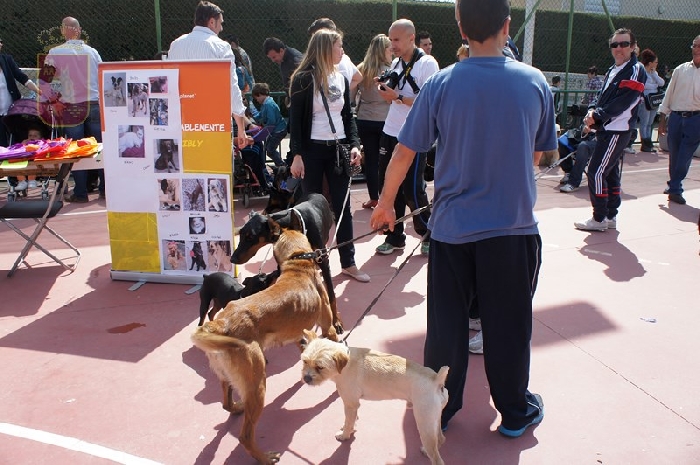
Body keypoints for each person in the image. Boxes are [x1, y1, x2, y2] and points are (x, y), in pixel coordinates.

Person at [370, 0, 556, 436]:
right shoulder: (534, 82)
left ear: (460, 28)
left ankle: (441, 409)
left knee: (446, 329)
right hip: (512, 228)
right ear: (507, 26)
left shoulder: (441, 83)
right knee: (509, 326)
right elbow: (540, 153)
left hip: (452, 231)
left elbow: (404, 151)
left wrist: (385, 203)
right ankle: (515, 412)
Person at [288, 29, 369, 283]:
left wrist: (354, 144)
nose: (342, 50)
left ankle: (348, 262)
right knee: (312, 209)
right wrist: (297, 155)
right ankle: (314, 266)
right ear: (325, 48)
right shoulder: (303, 79)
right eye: (339, 46)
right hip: (311, 151)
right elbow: (295, 122)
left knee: (343, 207)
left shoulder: (341, 78)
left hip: (337, 150)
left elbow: (347, 117)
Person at [375, 19, 439, 257]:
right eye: (390, 40)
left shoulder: (427, 64)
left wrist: (398, 97)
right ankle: (394, 236)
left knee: (412, 189)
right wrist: (386, 91)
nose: (392, 45)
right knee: (388, 186)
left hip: (415, 134)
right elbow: (394, 94)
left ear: (411, 38)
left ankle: (428, 234)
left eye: (397, 40)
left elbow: (428, 102)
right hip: (390, 131)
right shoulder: (396, 62)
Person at [575, 28, 646, 231]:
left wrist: (597, 116)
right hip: (608, 129)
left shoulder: (635, 69)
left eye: (624, 44)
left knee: (596, 172)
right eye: (615, 45)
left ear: (633, 47)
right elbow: (601, 97)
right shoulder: (612, 70)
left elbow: (622, 102)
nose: (619, 48)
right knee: (610, 172)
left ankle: (599, 218)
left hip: (617, 130)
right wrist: (591, 112)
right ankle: (610, 215)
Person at [168, 1, 248, 149]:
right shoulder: (221, 46)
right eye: (220, 23)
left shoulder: (176, 45)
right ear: (212, 22)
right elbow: (231, 87)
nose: (221, 28)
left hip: (183, 121)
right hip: (214, 122)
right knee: (216, 162)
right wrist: (241, 127)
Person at [41, 16, 105, 203]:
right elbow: (103, 76)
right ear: (79, 30)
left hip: (72, 106)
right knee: (100, 148)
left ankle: (81, 193)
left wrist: (54, 100)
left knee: (76, 150)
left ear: (63, 30)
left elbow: (44, 82)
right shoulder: (93, 52)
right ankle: (105, 189)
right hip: (94, 103)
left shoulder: (55, 52)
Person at [657, 35, 700, 205]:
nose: (696, 49)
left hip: (696, 120)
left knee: (684, 155)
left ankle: (675, 188)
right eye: (694, 46)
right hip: (675, 117)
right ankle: (674, 185)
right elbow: (669, 94)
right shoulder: (680, 70)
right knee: (674, 155)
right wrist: (662, 118)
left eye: (699, 46)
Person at [355, 33, 392, 209]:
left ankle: (374, 197)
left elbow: (351, 95)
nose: (392, 51)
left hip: (365, 119)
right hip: (385, 119)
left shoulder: (361, 69)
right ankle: (387, 198)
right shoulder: (390, 70)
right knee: (387, 160)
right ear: (383, 50)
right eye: (389, 49)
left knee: (371, 159)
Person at [1, 38, 42, 191]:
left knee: (15, 145)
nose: (0, 44)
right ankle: (13, 180)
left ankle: (22, 179)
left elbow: (22, 78)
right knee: (2, 146)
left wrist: (38, 90)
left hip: (11, 112)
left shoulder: (6, 60)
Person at [307, 18, 362, 92]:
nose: (313, 41)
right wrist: (341, 93)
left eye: (316, 35)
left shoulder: (332, 61)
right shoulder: (344, 58)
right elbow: (358, 78)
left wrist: (340, 93)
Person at [249, 82, 287, 166]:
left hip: (278, 130)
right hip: (275, 130)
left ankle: (282, 165)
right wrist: (253, 116)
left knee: (270, 150)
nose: (257, 100)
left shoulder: (268, 104)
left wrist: (264, 129)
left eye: (256, 98)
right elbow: (261, 115)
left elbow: (272, 121)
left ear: (259, 94)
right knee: (268, 149)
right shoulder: (265, 104)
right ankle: (280, 165)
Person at [636, 49, 665, 153]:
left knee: (650, 122)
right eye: (655, 62)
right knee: (644, 122)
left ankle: (649, 142)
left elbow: (661, 83)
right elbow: (643, 85)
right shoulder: (642, 71)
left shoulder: (654, 73)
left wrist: (654, 75)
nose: (657, 64)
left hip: (654, 101)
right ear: (650, 63)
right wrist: (654, 86)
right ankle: (645, 143)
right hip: (645, 101)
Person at [559, 126, 597, 193]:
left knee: (583, 146)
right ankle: (568, 172)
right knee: (562, 140)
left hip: (601, 138)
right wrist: (585, 128)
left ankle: (573, 183)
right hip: (584, 134)